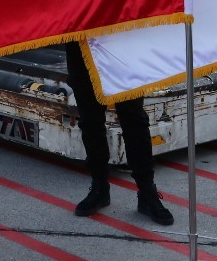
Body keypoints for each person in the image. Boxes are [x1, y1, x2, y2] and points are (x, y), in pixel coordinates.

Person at [63, 43, 174, 226]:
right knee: (90, 119)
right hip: (81, 37)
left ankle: (147, 191)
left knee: (134, 119)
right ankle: (99, 186)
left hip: (120, 40)